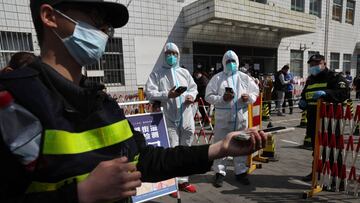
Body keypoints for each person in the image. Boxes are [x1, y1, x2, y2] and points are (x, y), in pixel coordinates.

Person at [0, 1, 267, 203]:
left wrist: (220, 147)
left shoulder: (101, 103)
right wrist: (81, 194)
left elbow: (145, 160)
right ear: (50, 17)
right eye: (95, 18)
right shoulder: (13, 102)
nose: (104, 30)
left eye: (107, 24)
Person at [145, 42, 199, 195]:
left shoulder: (184, 72)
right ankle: (172, 183)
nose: (171, 56)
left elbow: (193, 88)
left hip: (186, 115)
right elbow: (150, 92)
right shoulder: (157, 73)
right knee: (172, 150)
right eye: (168, 53)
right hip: (168, 117)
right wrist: (166, 95)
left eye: (174, 53)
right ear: (164, 55)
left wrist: (191, 96)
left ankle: (183, 181)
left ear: (178, 55)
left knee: (186, 148)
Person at [205, 50, 259, 188]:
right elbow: (208, 96)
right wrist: (222, 98)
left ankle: (240, 172)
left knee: (241, 144)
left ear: (237, 62)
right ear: (224, 63)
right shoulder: (217, 78)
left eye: (233, 61)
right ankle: (219, 172)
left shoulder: (245, 77)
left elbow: (255, 92)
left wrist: (249, 98)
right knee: (220, 145)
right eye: (228, 62)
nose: (231, 64)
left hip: (241, 117)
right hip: (223, 118)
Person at [298, 54, 349, 182]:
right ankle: (316, 171)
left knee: (332, 149)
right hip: (313, 120)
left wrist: (327, 93)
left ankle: (337, 178)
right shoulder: (311, 79)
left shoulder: (334, 77)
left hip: (330, 120)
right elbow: (305, 95)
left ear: (324, 63)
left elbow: (343, 93)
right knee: (316, 149)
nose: (314, 66)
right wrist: (303, 102)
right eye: (311, 64)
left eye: (316, 63)